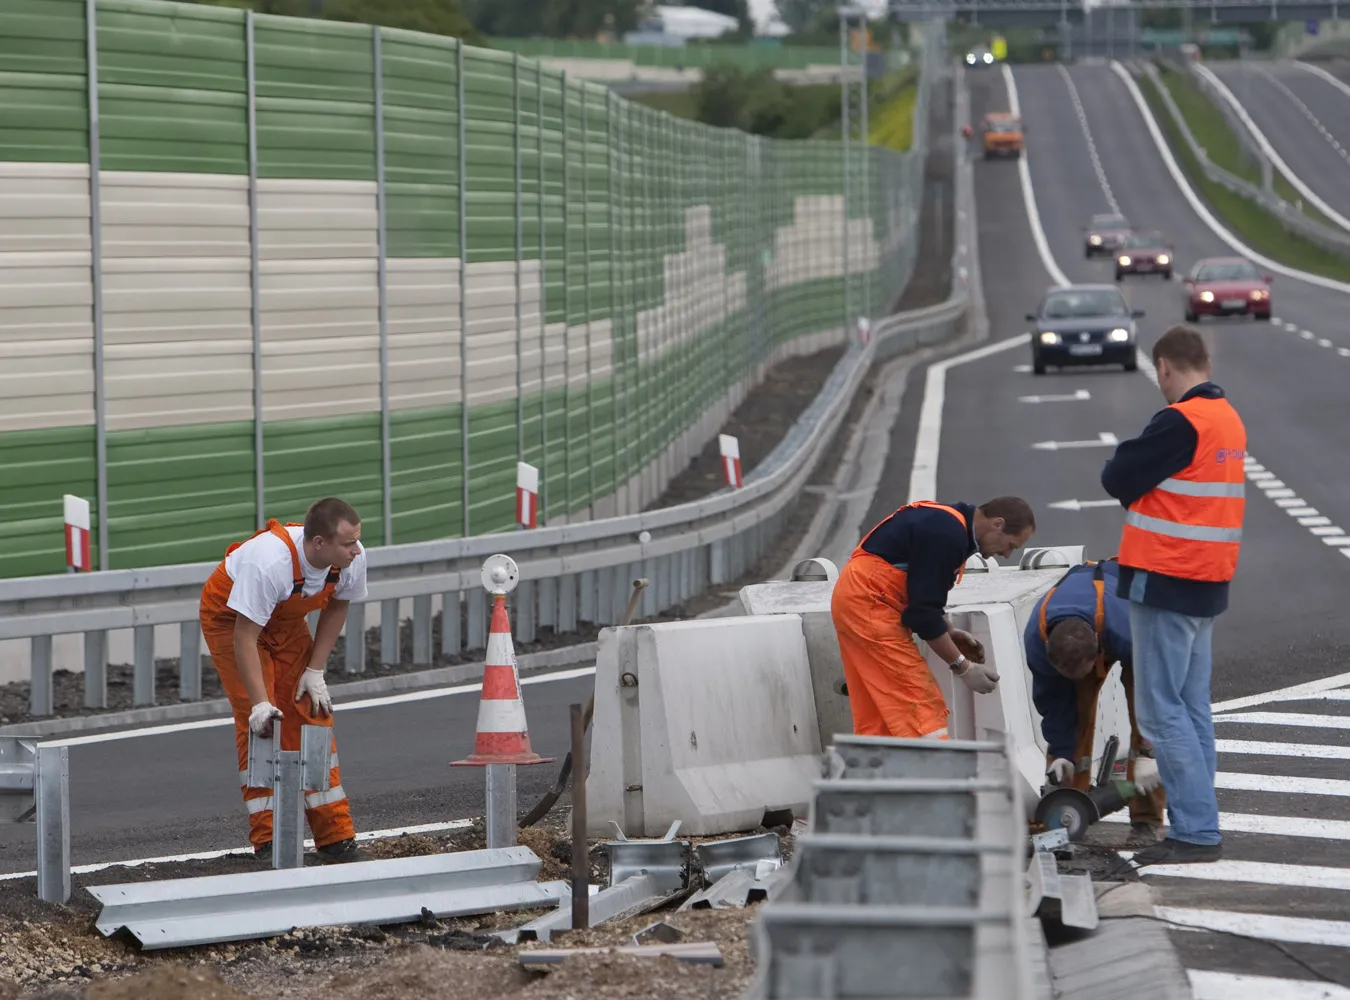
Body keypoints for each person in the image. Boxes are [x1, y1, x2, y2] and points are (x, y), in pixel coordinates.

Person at [1101, 326, 1245, 865]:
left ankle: (1196, 832)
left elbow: (1118, 476)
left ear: (1163, 366)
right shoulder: (1227, 419)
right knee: (1191, 707)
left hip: (1166, 578)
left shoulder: (1179, 420)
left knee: (1161, 712)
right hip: (1206, 581)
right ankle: (1199, 822)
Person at [199, 497, 369, 863]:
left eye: (356, 540)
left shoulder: (350, 559)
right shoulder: (270, 563)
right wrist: (260, 703)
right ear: (319, 543)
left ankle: (335, 835)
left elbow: (338, 605)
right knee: (263, 725)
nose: (357, 550)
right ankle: (270, 839)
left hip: (286, 624)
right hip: (231, 621)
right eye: (348, 543)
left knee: (311, 710)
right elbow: (245, 635)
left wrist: (315, 671)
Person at [831, 497, 1036, 739]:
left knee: (879, 714)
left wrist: (947, 631)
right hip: (870, 607)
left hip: (859, 602)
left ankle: (879, 760)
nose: (1007, 555)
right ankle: (935, 760)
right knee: (920, 706)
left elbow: (924, 595)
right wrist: (963, 667)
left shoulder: (948, 525)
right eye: (1010, 545)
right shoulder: (948, 535)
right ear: (997, 524)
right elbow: (923, 616)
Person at [1024, 559, 1165, 847]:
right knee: (1074, 718)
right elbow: (1053, 703)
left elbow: (1155, 692)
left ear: (1099, 650)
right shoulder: (1037, 643)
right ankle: (1065, 811)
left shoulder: (1128, 631)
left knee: (1146, 724)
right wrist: (1062, 752)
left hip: (1132, 615)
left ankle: (1146, 823)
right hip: (1089, 622)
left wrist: (1149, 751)